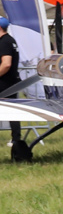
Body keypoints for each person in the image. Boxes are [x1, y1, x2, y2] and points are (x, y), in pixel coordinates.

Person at [0, 17, 22, 152]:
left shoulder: (4, 42)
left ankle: (16, 138)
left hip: (4, 82)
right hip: (11, 81)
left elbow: (6, 63)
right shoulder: (10, 40)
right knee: (13, 111)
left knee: (12, 111)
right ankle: (16, 138)